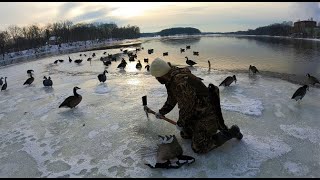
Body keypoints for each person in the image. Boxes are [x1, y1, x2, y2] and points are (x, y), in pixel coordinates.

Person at [149, 57, 243, 154]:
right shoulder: (171, 76)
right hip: (197, 111)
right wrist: (162, 112)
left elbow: (186, 106)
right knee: (185, 134)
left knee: (199, 147)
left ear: (161, 74)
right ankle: (200, 132)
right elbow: (172, 97)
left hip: (207, 113)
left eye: (156, 76)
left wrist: (181, 123)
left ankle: (231, 132)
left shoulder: (179, 82)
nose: (156, 79)